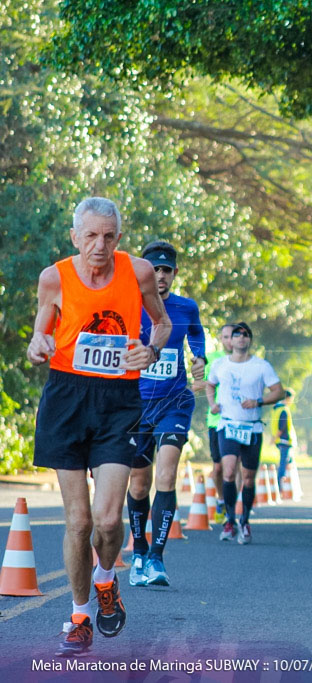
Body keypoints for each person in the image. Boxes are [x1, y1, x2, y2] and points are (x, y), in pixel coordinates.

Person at [27, 197, 171, 656]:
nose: (99, 245)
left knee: (109, 521)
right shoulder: (54, 278)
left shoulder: (140, 272)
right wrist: (39, 345)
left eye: (108, 236)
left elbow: (162, 324)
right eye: (90, 235)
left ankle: (106, 580)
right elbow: (39, 335)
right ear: (75, 237)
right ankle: (79, 614)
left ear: (119, 238)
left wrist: (149, 351)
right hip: (66, 398)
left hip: (118, 402)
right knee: (79, 520)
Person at [126, 241, 206, 588]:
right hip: (136, 404)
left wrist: (200, 358)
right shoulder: (130, 304)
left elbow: (197, 336)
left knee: (167, 476)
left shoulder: (186, 308)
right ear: (144, 272)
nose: (160, 276)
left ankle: (157, 558)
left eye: (166, 270)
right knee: (139, 483)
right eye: (154, 269)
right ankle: (140, 550)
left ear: (174, 274)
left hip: (174, 402)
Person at [205, 322, 285, 545]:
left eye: (245, 335)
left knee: (248, 477)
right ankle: (230, 520)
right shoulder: (220, 364)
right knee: (229, 472)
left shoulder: (261, 366)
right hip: (228, 425)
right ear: (230, 340)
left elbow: (279, 391)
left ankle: (245, 520)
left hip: (252, 427)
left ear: (249, 340)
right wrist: (212, 404)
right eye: (236, 335)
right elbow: (209, 385)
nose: (240, 338)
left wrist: (259, 400)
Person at [204, 323, 234, 523]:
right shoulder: (213, 359)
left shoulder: (248, 361)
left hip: (237, 421)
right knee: (218, 468)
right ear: (221, 339)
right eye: (225, 336)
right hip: (216, 420)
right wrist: (212, 403)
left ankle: (233, 507)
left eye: (233, 336)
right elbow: (207, 384)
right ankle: (222, 499)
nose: (229, 340)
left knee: (234, 467)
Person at [271, 389, 297, 487]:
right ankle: (280, 483)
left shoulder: (276, 409)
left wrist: (274, 438)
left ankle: (282, 482)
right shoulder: (284, 410)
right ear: (287, 398)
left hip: (279, 440)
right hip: (285, 440)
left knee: (286, 460)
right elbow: (281, 427)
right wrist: (275, 438)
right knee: (284, 461)